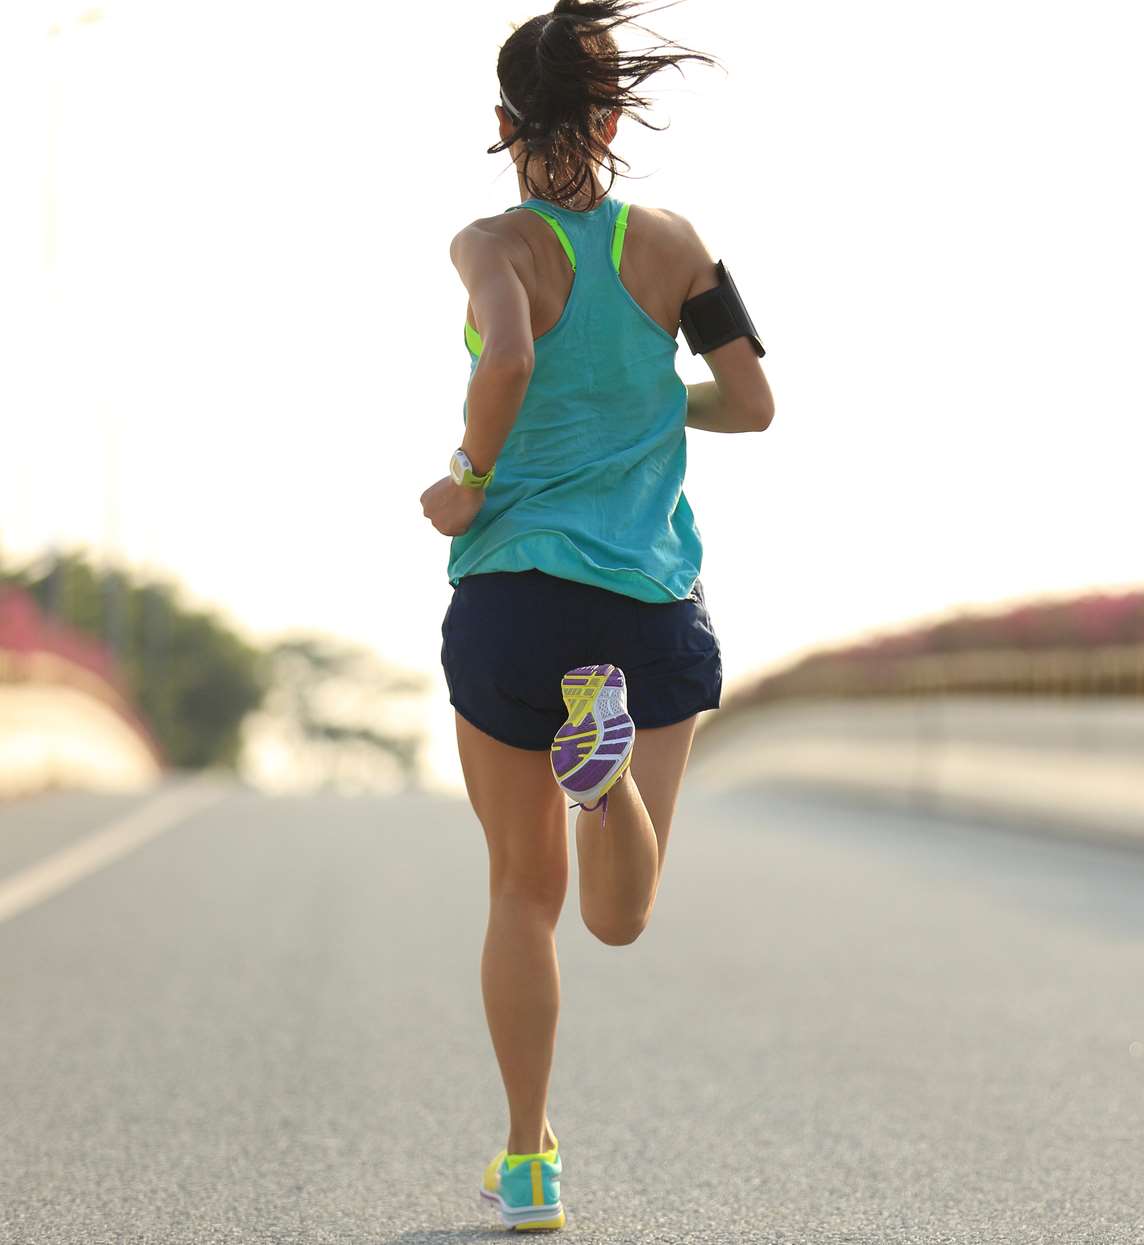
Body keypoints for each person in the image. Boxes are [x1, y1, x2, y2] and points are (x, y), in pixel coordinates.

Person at [420, 1, 774, 1231]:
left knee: (525, 892)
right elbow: (753, 402)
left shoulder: (491, 244)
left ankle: (527, 1162)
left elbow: (506, 361)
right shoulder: (675, 243)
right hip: (651, 610)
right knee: (622, 914)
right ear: (617, 119)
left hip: (517, 596)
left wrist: (465, 485)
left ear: (503, 126)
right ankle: (605, 771)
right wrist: (647, 406)